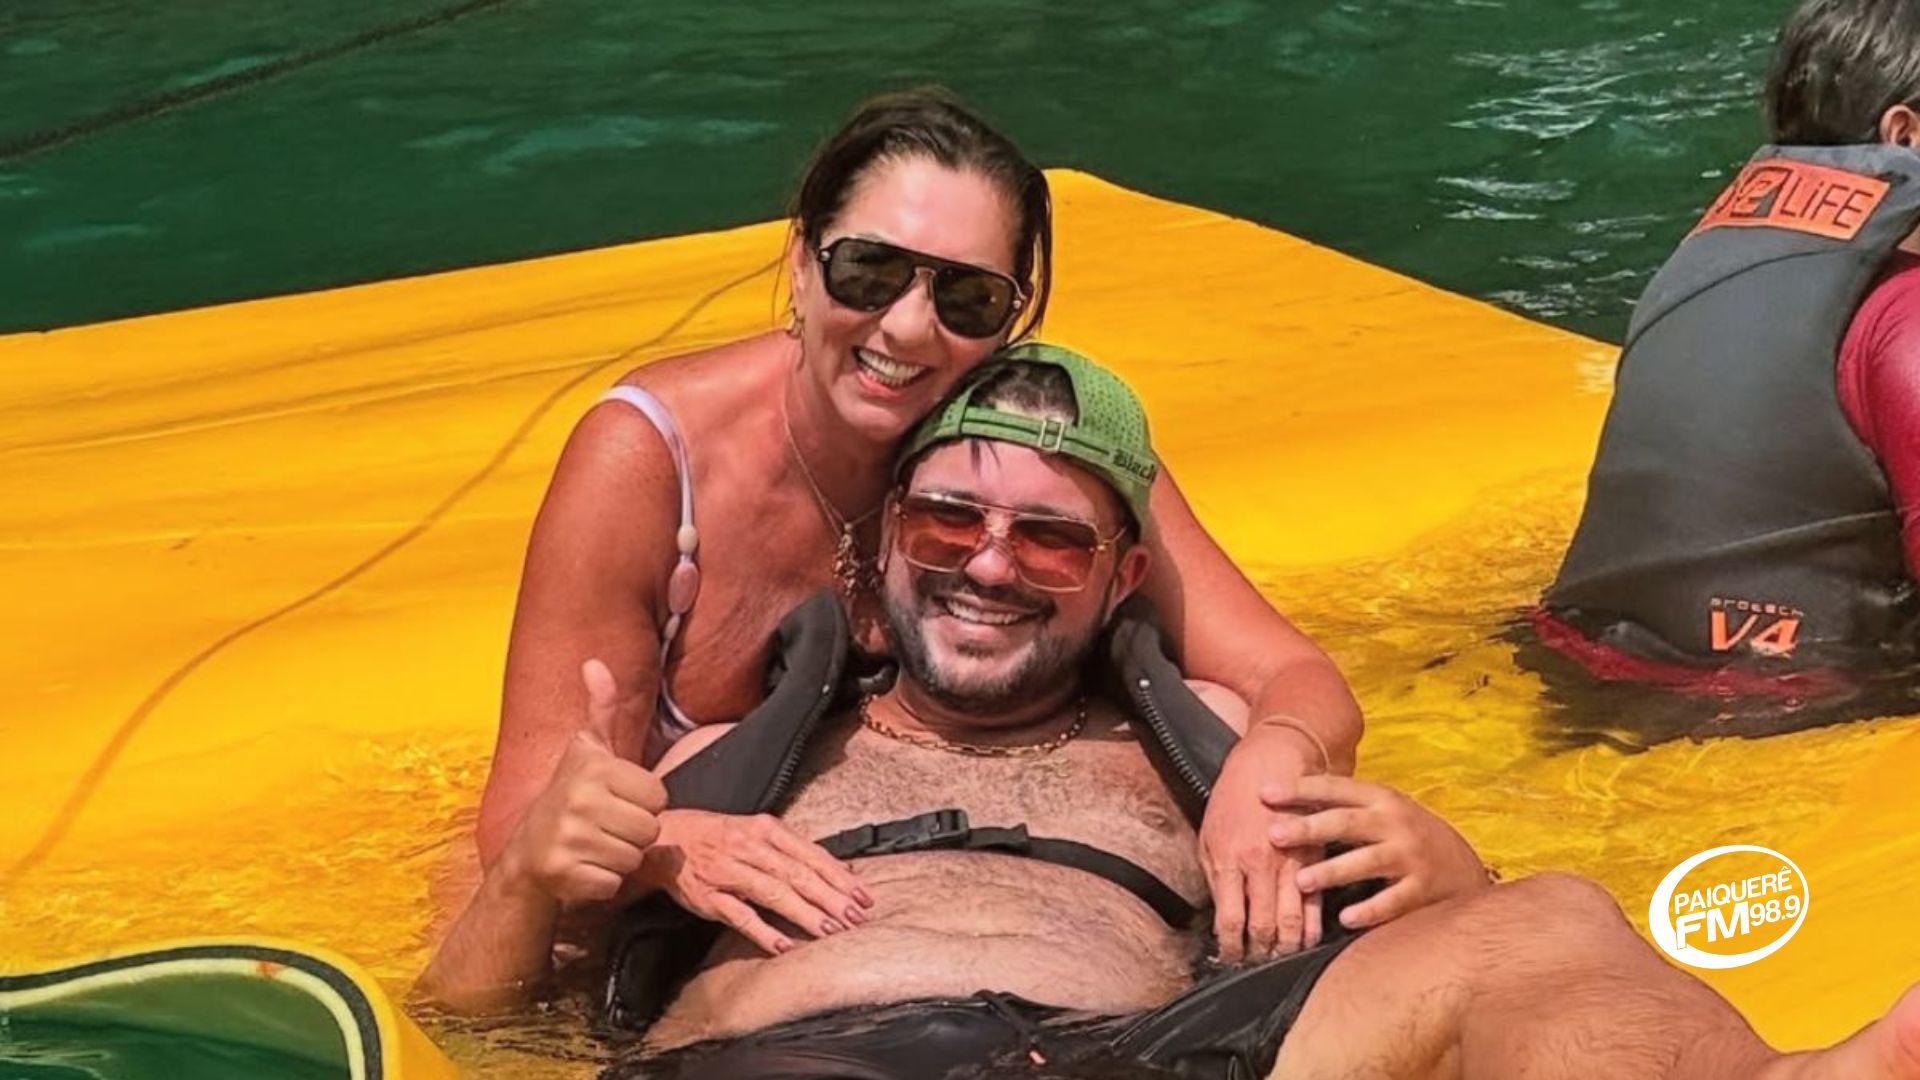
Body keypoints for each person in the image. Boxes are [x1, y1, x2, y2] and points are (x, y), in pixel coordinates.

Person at [422, 349, 1920, 1080]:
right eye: (948, 522)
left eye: (1049, 540)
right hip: (807, 1057)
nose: (989, 566)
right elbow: (464, 1015)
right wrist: (533, 871)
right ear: (882, 554)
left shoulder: (1194, 753)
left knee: (1554, 920)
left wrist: (1448, 868)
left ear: (1123, 574)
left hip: (1139, 1055)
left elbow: (1434, 934)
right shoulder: (707, 769)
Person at [477, 89, 1362, 962]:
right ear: (801, 263)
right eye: (869, 271)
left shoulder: (1041, 447)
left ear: (1009, 320)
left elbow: (1296, 679)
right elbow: (522, 832)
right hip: (698, 925)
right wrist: (672, 840)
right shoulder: (647, 464)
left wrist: (1269, 766)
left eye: (967, 298)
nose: (907, 327)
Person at [1543, 0, 1920, 698]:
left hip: (1581, 666)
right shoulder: (1903, 313)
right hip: (1781, 708)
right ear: (1905, 134)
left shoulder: (1705, 263)